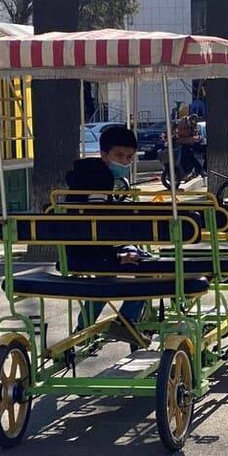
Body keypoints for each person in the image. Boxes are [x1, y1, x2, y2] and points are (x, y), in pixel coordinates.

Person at [64, 125, 148, 343]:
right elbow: (96, 219)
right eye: (119, 156)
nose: (124, 162)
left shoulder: (81, 176)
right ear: (103, 154)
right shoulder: (101, 178)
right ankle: (126, 322)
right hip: (96, 253)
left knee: (105, 280)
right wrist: (116, 256)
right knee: (148, 267)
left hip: (73, 253)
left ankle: (83, 328)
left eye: (129, 157)